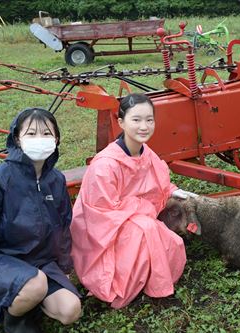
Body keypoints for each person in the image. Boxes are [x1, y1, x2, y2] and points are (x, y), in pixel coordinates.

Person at [70, 93, 195, 309]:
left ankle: (149, 279)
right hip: (105, 230)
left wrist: (174, 192)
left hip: (132, 217)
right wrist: (144, 211)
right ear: (121, 122)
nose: (144, 126)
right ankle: (123, 283)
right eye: (136, 120)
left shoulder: (146, 153)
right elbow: (101, 212)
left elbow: (158, 185)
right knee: (147, 230)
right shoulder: (105, 165)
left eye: (149, 120)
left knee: (168, 241)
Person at [0, 108, 82, 333]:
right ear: (17, 138)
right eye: (31, 133)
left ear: (56, 139)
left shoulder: (55, 180)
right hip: (1, 261)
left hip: (41, 262)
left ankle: (27, 299)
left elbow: (63, 228)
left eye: (47, 134)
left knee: (70, 310)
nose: (40, 139)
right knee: (35, 283)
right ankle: (14, 318)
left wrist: (64, 270)